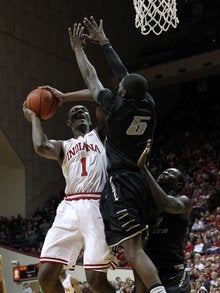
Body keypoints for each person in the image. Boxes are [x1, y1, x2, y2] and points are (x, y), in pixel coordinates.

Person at [68, 16, 167, 293]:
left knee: (133, 249)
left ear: (122, 92)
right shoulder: (148, 103)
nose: (118, 85)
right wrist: (106, 43)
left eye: (120, 87)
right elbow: (125, 76)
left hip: (122, 180)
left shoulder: (118, 107)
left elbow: (92, 79)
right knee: (139, 250)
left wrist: (78, 49)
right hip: (143, 181)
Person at [23, 90, 117, 293]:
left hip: (97, 204)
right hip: (69, 206)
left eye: (84, 111)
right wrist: (34, 118)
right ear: (69, 123)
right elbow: (40, 146)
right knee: (46, 277)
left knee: (95, 280)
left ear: (90, 118)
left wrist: (66, 98)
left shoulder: (100, 135)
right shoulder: (64, 146)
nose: (80, 111)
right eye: (75, 112)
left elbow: (100, 94)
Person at [136, 141, 192, 292]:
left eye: (171, 173)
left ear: (179, 185)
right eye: (164, 171)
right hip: (151, 271)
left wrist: (143, 168)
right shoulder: (150, 202)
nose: (164, 172)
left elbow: (165, 203)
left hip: (173, 271)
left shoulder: (184, 201)